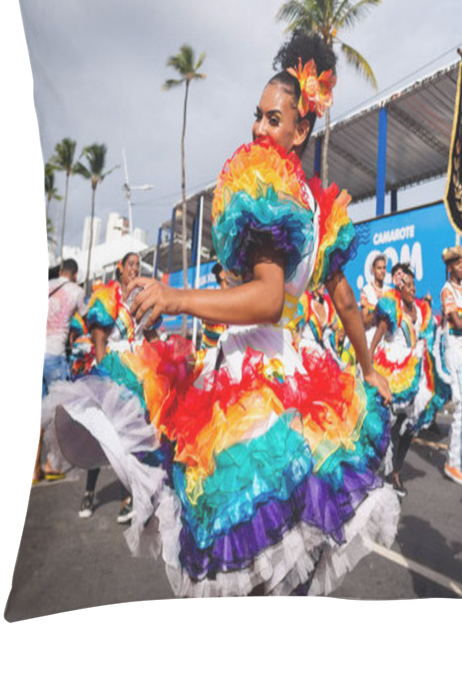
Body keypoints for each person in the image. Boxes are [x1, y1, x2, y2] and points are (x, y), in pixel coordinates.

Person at [51, 30, 398, 597]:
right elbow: (343, 299)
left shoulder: (267, 187)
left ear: (301, 128)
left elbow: (266, 298)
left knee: (243, 557)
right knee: (285, 553)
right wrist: (367, 366)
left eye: (273, 119)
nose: (259, 130)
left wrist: (175, 296)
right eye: (257, 117)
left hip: (254, 388)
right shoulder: (317, 205)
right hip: (307, 379)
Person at [43, 252, 158, 523]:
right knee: (100, 432)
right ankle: (89, 493)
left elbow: (150, 334)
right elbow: (99, 340)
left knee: (128, 436)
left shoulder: (140, 296)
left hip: (138, 371)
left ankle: (127, 499)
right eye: (131, 264)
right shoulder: (106, 297)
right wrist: (102, 377)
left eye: (138, 266)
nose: (134, 269)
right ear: (120, 268)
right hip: (112, 369)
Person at [370, 262, 435, 497]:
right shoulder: (393, 307)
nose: (413, 289)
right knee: (390, 424)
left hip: (412, 368)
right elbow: (377, 336)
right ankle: (384, 471)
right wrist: (367, 364)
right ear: (400, 287)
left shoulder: (417, 310)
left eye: (414, 285)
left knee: (410, 425)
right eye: (408, 285)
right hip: (392, 369)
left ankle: (395, 469)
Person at [35, 258, 85, 483]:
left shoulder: (46, 285)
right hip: (55, 355)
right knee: (58, 414)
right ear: (74, 275)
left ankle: (34, 469)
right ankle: (52, 463)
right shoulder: (76, 290)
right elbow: (88, 317)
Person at [440, 245, 462, 485]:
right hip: (456, 350)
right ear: (450, 268)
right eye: (458, 263)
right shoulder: (447, 291)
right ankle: (452, 463)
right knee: (461, 406)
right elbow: (458, 323)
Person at [360, 254, 388, 347]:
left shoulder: (390, 292)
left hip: (386, 344)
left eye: (384, 268)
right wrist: (377, 312)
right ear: (373, 271)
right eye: (379, 268)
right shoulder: (366, 291)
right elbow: (364, 321)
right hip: (370, 342)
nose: (382, 271)